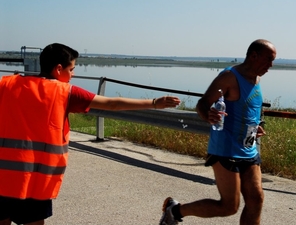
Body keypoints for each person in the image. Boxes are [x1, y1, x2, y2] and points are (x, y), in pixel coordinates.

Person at [0, 43, 181, 225]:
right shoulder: (65, 92)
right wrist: (154, 102)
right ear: (58, 69)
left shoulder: (7, 84)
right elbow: (112, 104)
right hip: (34, 179)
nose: (73, 74)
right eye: (72, 69)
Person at [159, 39, 277, 225]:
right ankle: (174, 211)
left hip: (248, 148)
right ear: (254, 55)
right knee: (229, 206)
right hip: (225, 149)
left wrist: (254, 126)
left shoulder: (257, 78)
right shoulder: (229, 77)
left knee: (256, 200)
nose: (271, 66)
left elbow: (246, 108)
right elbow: (202, 104)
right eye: (268, 59)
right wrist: (209, 115)